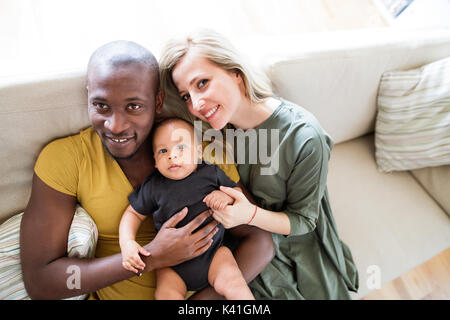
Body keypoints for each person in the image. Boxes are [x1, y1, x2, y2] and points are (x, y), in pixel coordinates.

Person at [19, 40, 274, 300]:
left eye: (134, 106)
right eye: (101, 106)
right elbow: (41, 282)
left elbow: (260, 241)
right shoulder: (67, 158)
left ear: (158, 101)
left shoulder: (200, 151)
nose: (115, 125)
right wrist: (151, 257)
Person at [159, 29, 359, 299]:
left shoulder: (305, 137)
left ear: (236, 74)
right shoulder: (208, 131)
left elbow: (303, 221)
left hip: (292, 240)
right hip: (242, 245)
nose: (196, 104)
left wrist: (249, 214)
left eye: (202, 83)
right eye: (186, 95)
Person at [119, 117, 254, 299]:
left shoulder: (211, 173)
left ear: (198, 152)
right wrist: (127, 242)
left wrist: (225, 196)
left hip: (213, 255)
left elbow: (238, 193)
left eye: (180, 147)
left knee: (234, 283)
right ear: (155, 161)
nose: (172, 155)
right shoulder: (153, 186)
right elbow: (133, 214)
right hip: (171, 266)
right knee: (166, 294)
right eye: (163, 151)